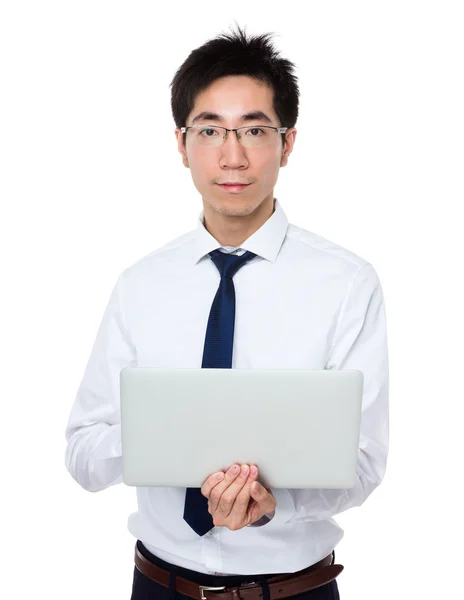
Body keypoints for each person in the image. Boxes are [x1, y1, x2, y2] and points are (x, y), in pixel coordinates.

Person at [64, 23, 389, 600]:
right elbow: (84, 454)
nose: (232, 156)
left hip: (294, 591)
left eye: (254, 130)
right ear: (181, 143)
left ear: (287, 143)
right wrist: (161, 439)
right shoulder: (141, 284)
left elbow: (362, 466)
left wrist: (272, 505)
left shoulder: (346, 283)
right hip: (159, 586)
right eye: (210, 129)